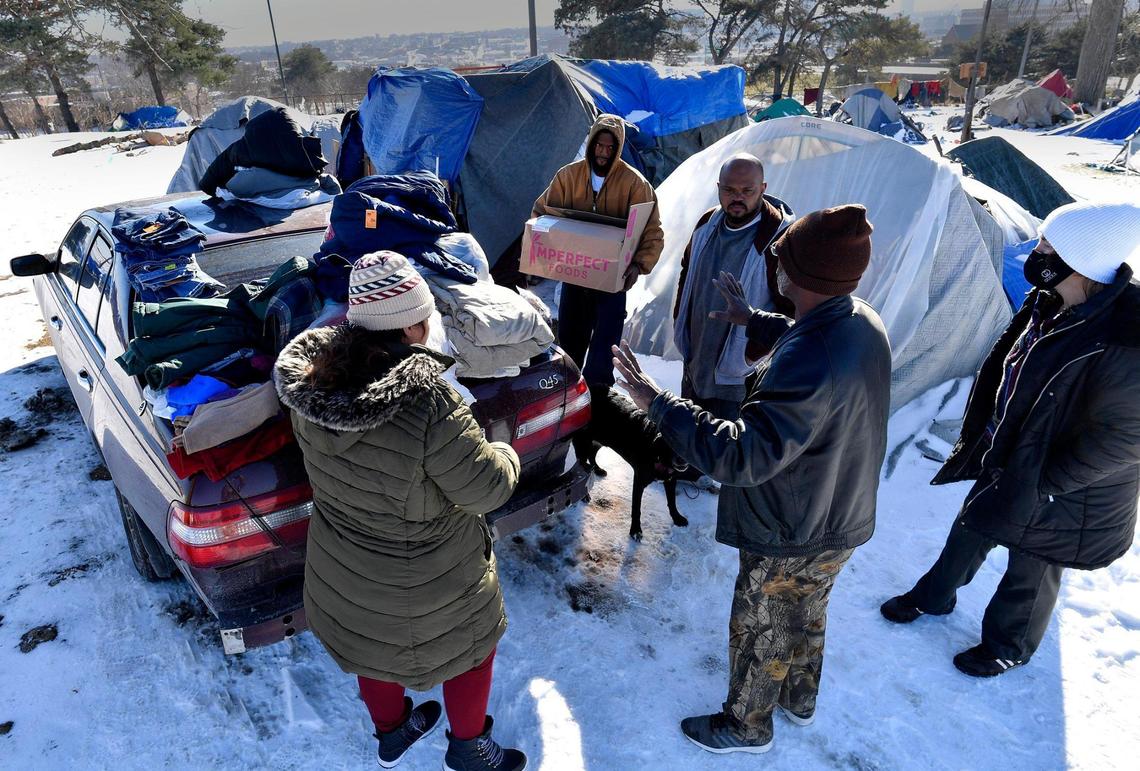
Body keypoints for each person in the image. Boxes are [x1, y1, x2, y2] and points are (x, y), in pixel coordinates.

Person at [613, 205, 891, 754]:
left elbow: (742, 457)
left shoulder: (811, 357)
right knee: (807, 608)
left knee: (763, 623)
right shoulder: (860, 319)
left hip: (793, 522)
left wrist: (658, 404)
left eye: (783, 258)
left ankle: (747, 724)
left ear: (801, 275)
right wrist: (755, 320)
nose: (775, 266)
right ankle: (800, 698)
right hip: (842, 512)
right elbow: (809, 334)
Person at [274, 251, 526, 771]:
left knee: (373, 649)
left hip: (345, 568)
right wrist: (504, 451)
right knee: (471, 650)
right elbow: (486, 489)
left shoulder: (313, 385)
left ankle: (391, 732)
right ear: (412, 324)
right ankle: (469, 748)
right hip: (431, 575)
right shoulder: (429, 405)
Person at [880, 200, 1140, 677]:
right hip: (1016, 455)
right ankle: (934, 596)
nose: (1036, 252)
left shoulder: (1126, 340)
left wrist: (1045, 481)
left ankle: (1008, 645)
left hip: (1067, 489)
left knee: (1033, 566)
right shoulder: (1051, 301)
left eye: (1048, 245)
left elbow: (1126, 439)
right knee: (972, 525)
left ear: (1081, 259)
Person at [532, 113, 664, 386]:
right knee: (570, 342)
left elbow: (653, 232)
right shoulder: (568, 176)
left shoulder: (635, 183)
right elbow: (541, 215)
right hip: (575, 273)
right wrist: (548, 253)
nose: (603, 153)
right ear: (591, 143)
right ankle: (567, 397)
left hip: (612, 280)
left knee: (604, 351)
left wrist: (638, 266)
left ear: (618, 149)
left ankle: (598, 401)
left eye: (610, 147)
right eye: (599, 146)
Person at [672, 153, 795, 420]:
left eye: (747, 190)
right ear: (718, 188)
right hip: (695, 365)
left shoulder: (778, 241)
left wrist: (749, 358)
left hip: (737, 381)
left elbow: (792, 311)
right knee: (686, 447)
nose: (737, 197)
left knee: (724, 455)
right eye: (729, 190)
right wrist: (679, 323)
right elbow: (686, 271)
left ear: (763, 189)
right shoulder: (708, 224)